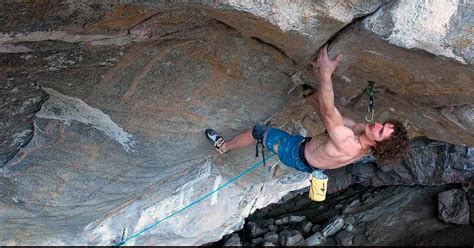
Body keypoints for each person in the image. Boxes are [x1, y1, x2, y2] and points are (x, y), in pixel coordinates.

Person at [205, 45, 409, 174]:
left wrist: (325, 73)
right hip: (311, 160)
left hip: (294, 152)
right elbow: (334, 121)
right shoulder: (365, 143)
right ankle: (310, 97)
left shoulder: (349, 142)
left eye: (380, 131)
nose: (377, 125)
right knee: (331, 122)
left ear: (378, 144)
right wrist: (315, 99)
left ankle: (224, 147)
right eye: (384, 125)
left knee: (257, 131)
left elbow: (330, 114)